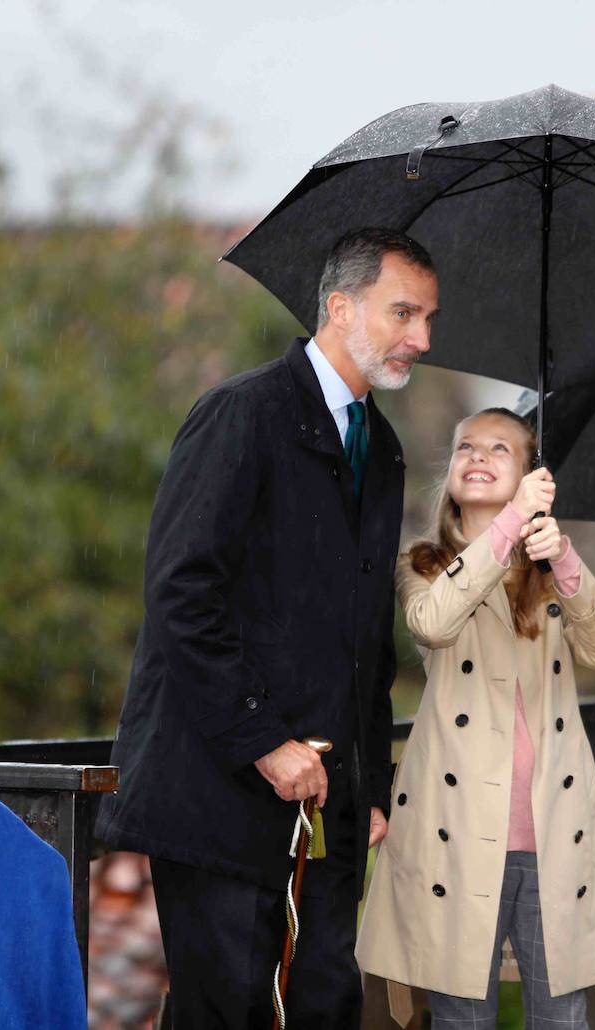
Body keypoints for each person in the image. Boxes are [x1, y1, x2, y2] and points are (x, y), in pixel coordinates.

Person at [95, 227, 438, 1029]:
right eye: (404, 313)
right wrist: (263, 740)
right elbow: (182, 592)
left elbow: (363, 639)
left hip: (328, 813)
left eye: (428, 317)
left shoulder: (379, 448)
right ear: (340, 306)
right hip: (219, 797)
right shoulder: (240, 414)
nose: (422, 338)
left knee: (324, 1008)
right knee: (227, 1014)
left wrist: (370, 784)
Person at [357, 408, 595, 1029]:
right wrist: (508, 527)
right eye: (465, 447)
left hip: (551, 831)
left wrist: (561, 557)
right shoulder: (422, 562)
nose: (478, 457)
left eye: (500, 449)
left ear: (533, 474)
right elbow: (432, 621)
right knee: (464, 1020)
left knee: (562, 1018)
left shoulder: (552, 568)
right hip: (453, 831)